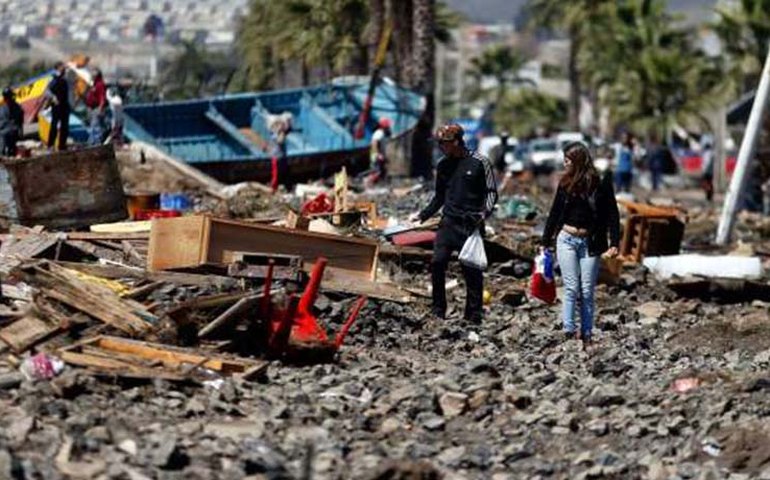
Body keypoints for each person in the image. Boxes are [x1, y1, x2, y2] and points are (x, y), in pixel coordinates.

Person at [410, 123, 498, 323]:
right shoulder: (443, 165)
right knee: (437, 263)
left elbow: (492, 193)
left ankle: (473, 316)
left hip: (471, 225)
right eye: (439, 143)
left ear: (456, 142)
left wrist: (484, 213)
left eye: (444, 143)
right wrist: (422, 215)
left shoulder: (480, 162)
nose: (441, 147)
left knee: (471, 270)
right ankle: (438, 309)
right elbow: (439, 197)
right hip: (448, 223)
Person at [541, 142, 620, 343]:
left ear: (577, 161)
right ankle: (568, 330)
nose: (565, 163)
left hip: (590, 242)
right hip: (566, 239)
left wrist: (614, 242)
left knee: (587, 290)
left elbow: (612, 213)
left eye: (568, 160)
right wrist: (545, 240)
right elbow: (555, 212)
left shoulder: (600, 183)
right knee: (571, 287)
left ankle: (586, 332)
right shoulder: (565, 183)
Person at [44, 61, 70, 151]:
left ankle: (62, 146)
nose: (64, 69)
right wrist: (53, 97)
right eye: (62, 67)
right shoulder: (53, 78)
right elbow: (46, 91)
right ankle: (50, 146)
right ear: (58, 68)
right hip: (56, 106)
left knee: (64, 127)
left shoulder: (64, 79)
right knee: (54, 126)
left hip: (64, 106)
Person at [85, 69, 107, 146]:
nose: (91, 75)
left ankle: (96, 143)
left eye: (93, 74)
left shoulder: (100, 84)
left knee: (96, 126)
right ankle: (92, 142)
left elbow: (102, 97)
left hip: (96, 108)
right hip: (92, 108)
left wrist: (100, 108)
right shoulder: (94, 84)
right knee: (93, 126)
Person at [0, 87, 23, 157]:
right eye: (9, 97)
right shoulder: (1, 109)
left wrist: (20, 131)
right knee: (3, 151)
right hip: (4, 133)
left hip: (12, 133)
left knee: (11, 151)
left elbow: (20, 121)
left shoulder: (17, 107)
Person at [369, 117, 391, 184]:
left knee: (382, 171)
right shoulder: (379, 133)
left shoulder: (383, 133)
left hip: (380, 155)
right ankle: (368, 183)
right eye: (387, 126)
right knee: (376, 172)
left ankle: (380, 185)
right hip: (376, 156)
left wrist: (384, 156)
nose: (388, 127)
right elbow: (374, 143)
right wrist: (378, 154)